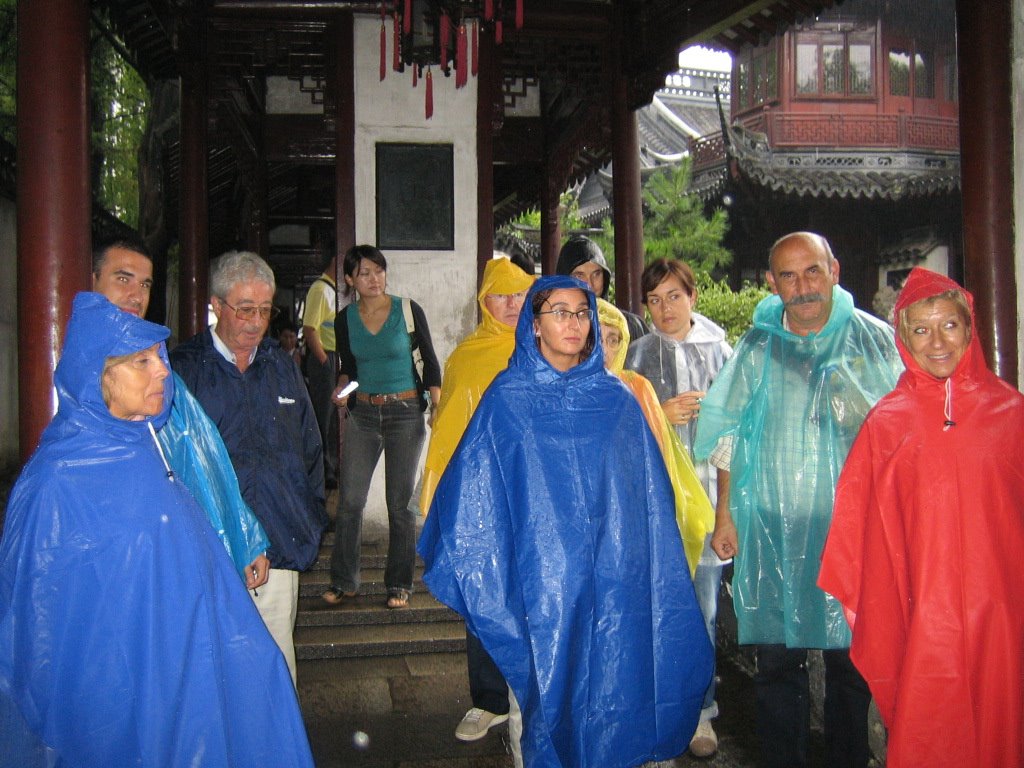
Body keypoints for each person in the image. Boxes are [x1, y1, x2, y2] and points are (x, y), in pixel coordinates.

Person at [0, 292, 314, 768]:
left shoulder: (149, 446)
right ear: (98, 376)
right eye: (140, 362)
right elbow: (44, 624)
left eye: (159, 358)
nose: (163, 371)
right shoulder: (58, 478)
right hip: (124, 680)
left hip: (185, 658)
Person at [418, 275, 713, 768]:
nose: (573, 323)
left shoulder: (616, 400)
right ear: (534, 325)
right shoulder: (506, 401)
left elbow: (645, 502)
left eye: (581, 312)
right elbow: (475, 496)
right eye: (559, 311)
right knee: (537, 695)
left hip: (613, 577)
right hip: (541, 581)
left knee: (614, 682)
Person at [693, 232, 903, 768]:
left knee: (849, 666)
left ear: (833, 269)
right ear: (772, 283)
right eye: (789, 276)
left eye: (812, 271)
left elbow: (906, 439)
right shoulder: (759, 345)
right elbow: (729, 436)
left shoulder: (874, 341)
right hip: (771, 526)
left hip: (853, 531)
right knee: (777, 665)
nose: (803, 286)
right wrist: (725, 514)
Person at [818, 268, 1024, 768]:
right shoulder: (888, 421)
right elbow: (858, 527)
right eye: (920, 328)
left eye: (948, 325)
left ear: (969, 328)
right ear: (903, 336)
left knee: (1001, 723)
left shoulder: (1011, 413)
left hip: (1002, 611)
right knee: (927, 725)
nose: (936, 342)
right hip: (921, 610)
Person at [171, 250, 327, 684]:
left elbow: (311, 450)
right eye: (244, 309)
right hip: (208, 550)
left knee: (274, 667)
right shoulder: (184, 371)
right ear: (217, 306)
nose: (256, 321)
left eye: (264, 309)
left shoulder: (281, 367)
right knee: (211, 670)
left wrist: (307, 519)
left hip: (277, 542)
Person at [92, 238, 270, 585]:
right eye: (123, 279)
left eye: (144, 284)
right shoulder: (80, 362)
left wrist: (244, 536)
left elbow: (205, 456)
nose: (136, 295)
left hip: (171, 540)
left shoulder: (161, 361)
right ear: (92, 279)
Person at [419, 255, 534, 743]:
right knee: (483, 593)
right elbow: (449, 431)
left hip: (534, 496)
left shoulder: (545, 348)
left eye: (518, 294)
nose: (510, 304)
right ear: (483, 302)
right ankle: (488, 700)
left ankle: (534, 692)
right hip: (481, 498)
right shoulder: (466, 355)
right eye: (500, 295)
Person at [623, 257, 731, 757]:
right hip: (654, 504)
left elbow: (737, 433)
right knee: (651, 609)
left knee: (703, 611)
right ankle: (655, 708)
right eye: (654, 299)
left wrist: (727, 511)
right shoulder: (635, 354)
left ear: (693, 295)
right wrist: (657, 416)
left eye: (674, 295)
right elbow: (618, 431)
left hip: (707, 501)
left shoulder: (724, 352)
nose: (665, 308)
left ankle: (701, 713)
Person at [324, 244, 441, 610]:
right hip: (362, 414)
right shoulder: (344, 320)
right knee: (350, 503)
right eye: (364, 273)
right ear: (349, 280)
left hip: (405, 413)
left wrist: (437, 404)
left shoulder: (407, 310)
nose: (374, 279)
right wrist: (343, 388)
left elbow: (431, 361)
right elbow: (350, 369)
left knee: (399, 506)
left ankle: (399, 584)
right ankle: (345, 581)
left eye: (379, 270)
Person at [597, 297, 713, 574]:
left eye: (613, 339)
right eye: (596, 337)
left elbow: (658, 464)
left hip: (633, 522)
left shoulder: (636, 387)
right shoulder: (561, 390)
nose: (604, 349)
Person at [301, 241, 344, 488]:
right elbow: (310, 328)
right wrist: (325, 360)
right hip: (325, 360)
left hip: (333, 360)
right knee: (324, 417)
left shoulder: (335, 290)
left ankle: (332, 468)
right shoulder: (320, 289)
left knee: (333, 418)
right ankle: (324, 472)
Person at [555, 235, 648, 341]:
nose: (589, 284)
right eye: (579, 276)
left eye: (596, 274)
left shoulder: (631, 326)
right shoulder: (552, 328)